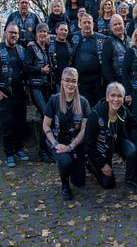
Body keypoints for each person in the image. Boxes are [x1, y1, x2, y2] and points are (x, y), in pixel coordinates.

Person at [42, 67, 90, 200]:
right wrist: (55, 144)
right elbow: (45, 125)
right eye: (67, 80)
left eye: (74, 81)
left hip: (75, 143)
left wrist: (71, 146)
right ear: (62, 81)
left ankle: (76, 165)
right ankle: (64, 184)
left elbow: (84, 130)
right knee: (65, 161)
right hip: (58, 142)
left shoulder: (83, 102)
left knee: (79, 182)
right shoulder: (54, 100)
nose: (70, 84)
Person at [84, 82, 137, 189]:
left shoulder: (123, 110)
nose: (116, 99)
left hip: (115, 142)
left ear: (123, 98)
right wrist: (102, 165)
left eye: (119, 96)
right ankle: (91, 164)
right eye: (113, 95)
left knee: (133, 150)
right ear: (107, 97)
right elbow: (89, 144)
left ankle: (129, 179)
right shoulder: (95, 115)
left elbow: (135, 122)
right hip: (101, 149)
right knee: (109, 184)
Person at [0, 23, 28, 167]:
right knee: (7, 125)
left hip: (20, 95)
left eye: (16, 33)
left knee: (20, 124)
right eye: (11, 32)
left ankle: (18, 149)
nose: (13, 35)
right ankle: (9, 153)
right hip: (5, 94)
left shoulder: (21, 50)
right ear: (5, 33)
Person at [24, 23, 54, 163]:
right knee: (45, 115)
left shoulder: (46, 47)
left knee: (49, 116)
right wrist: (40, 70)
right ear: (36, 34)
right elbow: (26, 67)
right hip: (35, 87)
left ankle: (48, 148)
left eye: (45, 32)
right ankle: (43, 151)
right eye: (41, 31)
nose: (43, 34)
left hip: (46, 87)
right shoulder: (31, 47)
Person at [71, 14, 106, 107]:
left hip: (98, 83)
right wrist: (49, 37)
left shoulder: (102, 38)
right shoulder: (73, 38)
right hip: (81, 83)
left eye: (89, 22)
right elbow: (59, 37)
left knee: (97, 109)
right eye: (84, 22)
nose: (87, 25)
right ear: (80, 24)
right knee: (83, 109)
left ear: (93, 24)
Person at [48, 22, 73, 94]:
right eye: (61, 29)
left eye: (65, 30)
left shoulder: (70, 45)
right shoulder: (50, 43)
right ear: (56, 30)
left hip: (67, 81)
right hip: (54, 81)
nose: (63, 32)